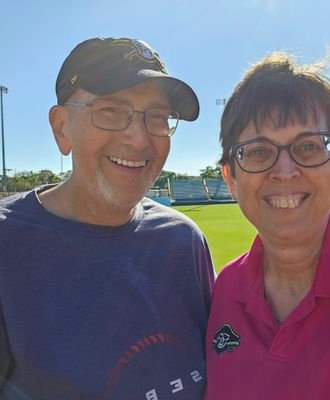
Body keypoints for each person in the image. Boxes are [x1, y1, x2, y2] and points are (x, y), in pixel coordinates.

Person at [0, 37, 214, 400]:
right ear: (62, 127)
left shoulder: (184, 241)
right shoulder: (8, 244)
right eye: (112, 110)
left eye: (158, 117)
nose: (138, 138)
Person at [205, 51, 330, 400]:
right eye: (258, 152)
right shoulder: (225, 289)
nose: (285, 171)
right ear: (230, 178)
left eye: (308, 147)